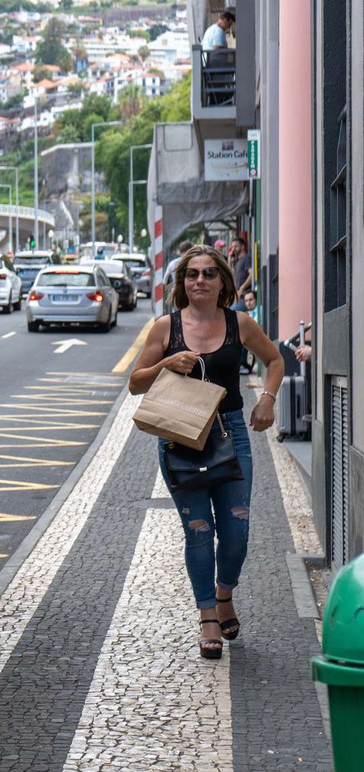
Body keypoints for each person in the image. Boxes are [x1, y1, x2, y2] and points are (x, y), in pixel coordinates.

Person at [129, 245, 283, 660]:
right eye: (192, 274)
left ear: (222, 282)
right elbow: (135, 383)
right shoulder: (165, 328)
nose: (200, 280)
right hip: (180, 437)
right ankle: (207, 617)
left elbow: (274, 360)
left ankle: (224, 593)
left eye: (209, 273)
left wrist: (267, 399)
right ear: (182, 283)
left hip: (230, 432)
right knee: (198, 530)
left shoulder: (239, 323)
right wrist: (165, 365)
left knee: (236, 530)